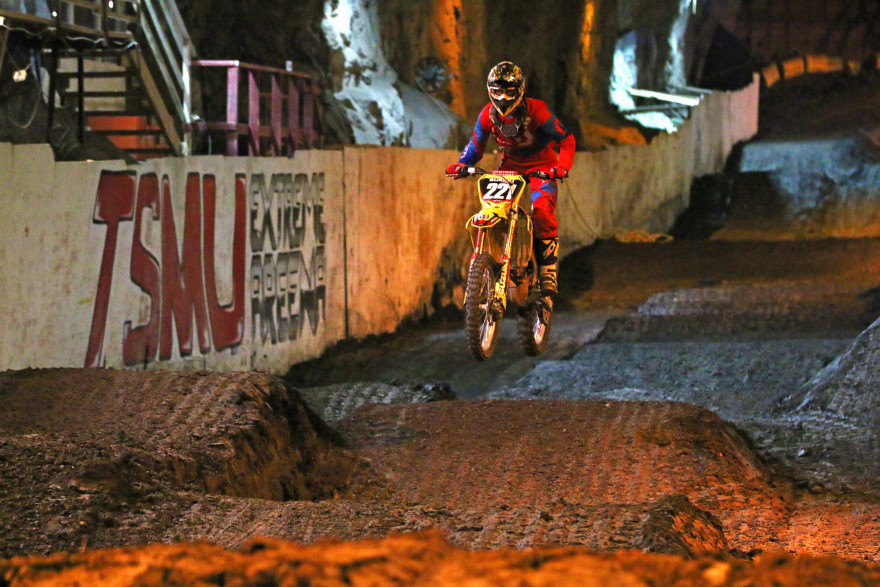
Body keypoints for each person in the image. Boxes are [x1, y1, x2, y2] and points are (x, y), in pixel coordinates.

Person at [447, 61, 575, 310]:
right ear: (489, 90)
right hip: (511, 166)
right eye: (497, 91)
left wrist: (560, 168)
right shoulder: (487, 115)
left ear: (520, 90)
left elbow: (567, 139)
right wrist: (462, 164)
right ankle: (497, 262)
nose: (503, 97)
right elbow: (475, 146)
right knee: (494, 209)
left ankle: (548, 270)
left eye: (509, 90)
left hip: (543, 165)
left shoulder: (537, 111)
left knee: (542, 211)